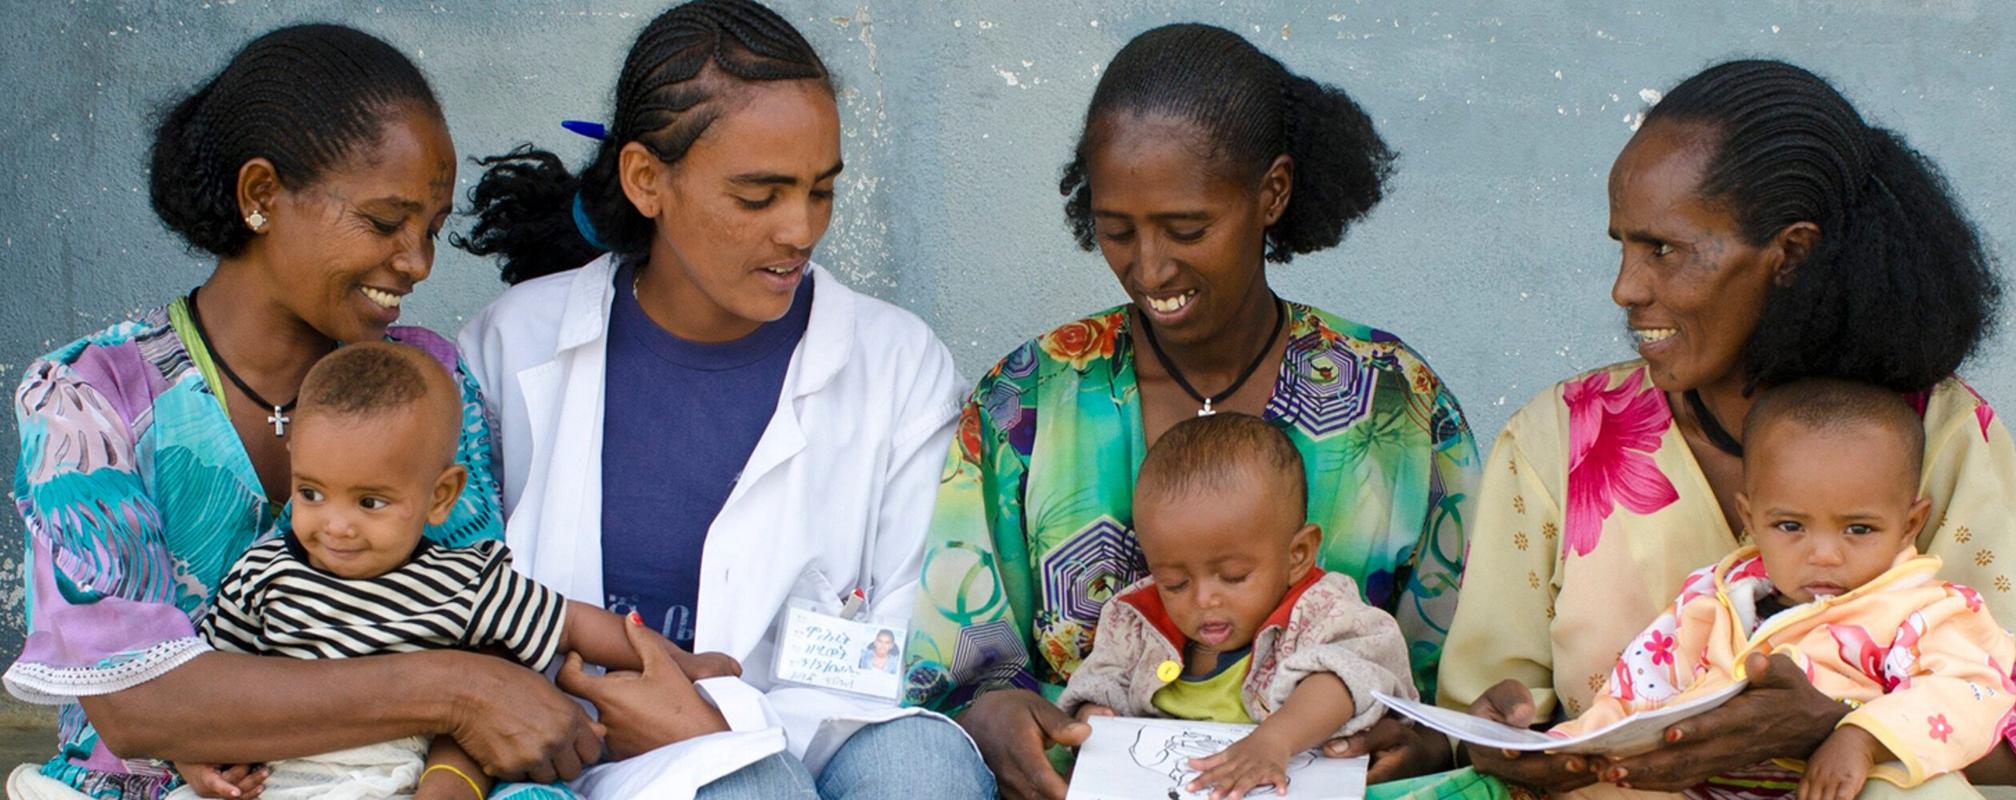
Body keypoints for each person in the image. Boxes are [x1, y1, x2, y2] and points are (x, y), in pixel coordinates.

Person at [2, 25, 602, 800]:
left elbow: (482, 626)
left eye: (430, 228)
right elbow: (136, 702)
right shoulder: (91, 397)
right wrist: (452, 687)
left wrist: (450, 767)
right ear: (260, 196)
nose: (418, 262)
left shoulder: (427, 379)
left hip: (408, 776)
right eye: (387, 223)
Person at [1438, 59, 2016, 798]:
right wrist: (1497, 733)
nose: (1625, 288)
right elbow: (1484, 708)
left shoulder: (1943, 436)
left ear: (1789, 254)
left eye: (1663, 249)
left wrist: (1839, 725)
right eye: (1623, 247)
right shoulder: (1557, 438)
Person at [905, 22, 1481, 800]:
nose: (1149, 268)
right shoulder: (1029, 400)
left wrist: (1427, 737)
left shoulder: (1394, 403)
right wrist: (989, 717)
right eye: (1117, 230)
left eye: (1187, 229)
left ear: (1271, 192)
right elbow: (952, 675)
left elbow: (1469, 686)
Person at [455, 1, 990, 797]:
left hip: (828, 740)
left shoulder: (895, 361)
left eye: (821, 191)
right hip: (591, 754)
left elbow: (913, 643)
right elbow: (459, 602)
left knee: (924, 769)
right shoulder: (514, 347)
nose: (800, 229)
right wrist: (701, 745)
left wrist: (719, 728)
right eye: (758, 196)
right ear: (646, 179)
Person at [167, 343, 740, 800]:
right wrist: (194, 754)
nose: (335, 526)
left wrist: (683, 664)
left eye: (370, 503)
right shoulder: (263, 572)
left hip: (392, 781)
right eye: (312, 493)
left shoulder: (467, 582)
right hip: (273, 775)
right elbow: (216, 684)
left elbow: (573, 625)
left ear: (441, 497)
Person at [1539, 379, 2016, 799]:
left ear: (1910, 524)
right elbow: (1635, 691)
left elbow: (1971, 692)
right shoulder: (1712, 600)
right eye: (1790, 525)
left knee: (1925, 792)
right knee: (1593, 786)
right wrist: (1574, 747)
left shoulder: (1927, 612)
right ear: (1751, 519)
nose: (1824, 554)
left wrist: (1863, 738)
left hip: (1838, 788)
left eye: (1859, 529)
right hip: (1704, 791)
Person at [1060, 413, 1421, 800]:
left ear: (1297, 554)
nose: (1203, 599)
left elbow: (1347, 676)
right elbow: (1100, 682)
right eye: (1175, 582)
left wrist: (1275, 741)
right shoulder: (1136, 618)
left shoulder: (1320, 609)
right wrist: (1093, 718)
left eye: (1232, 575)